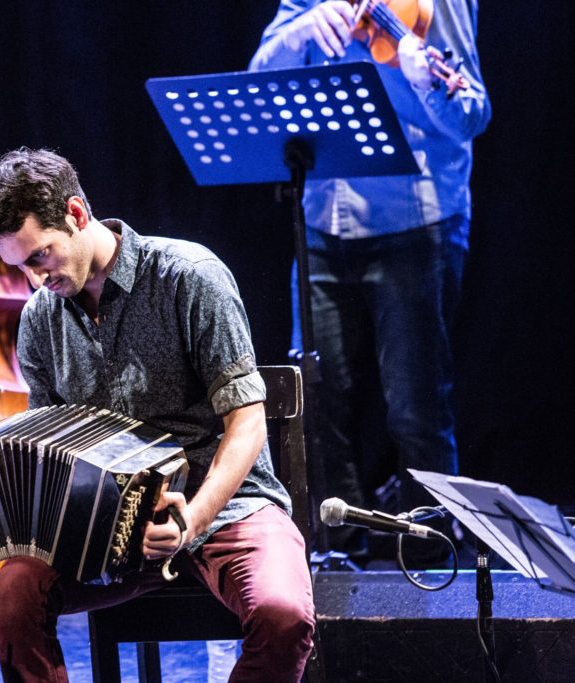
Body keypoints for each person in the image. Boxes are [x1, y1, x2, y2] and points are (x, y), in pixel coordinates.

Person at [0, 148, 315, 682]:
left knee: (284, 615)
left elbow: (247, 421)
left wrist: (191, 518)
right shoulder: (40, 319)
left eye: (40, 256)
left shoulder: (189, 276)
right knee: (14, 595)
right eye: (20, 266)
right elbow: (41, 454)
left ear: (76, 213)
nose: (35, 279)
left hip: (224, 506)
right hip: (99, 527)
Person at [249, 1, 490, 560]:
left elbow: (472, 112)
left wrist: (424, 81)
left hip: (414, 221)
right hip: (322, 218)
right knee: (315, 400)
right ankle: (337, 550)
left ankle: (431, 556)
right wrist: (302, 30)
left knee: (415, 408)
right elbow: (260, 73)